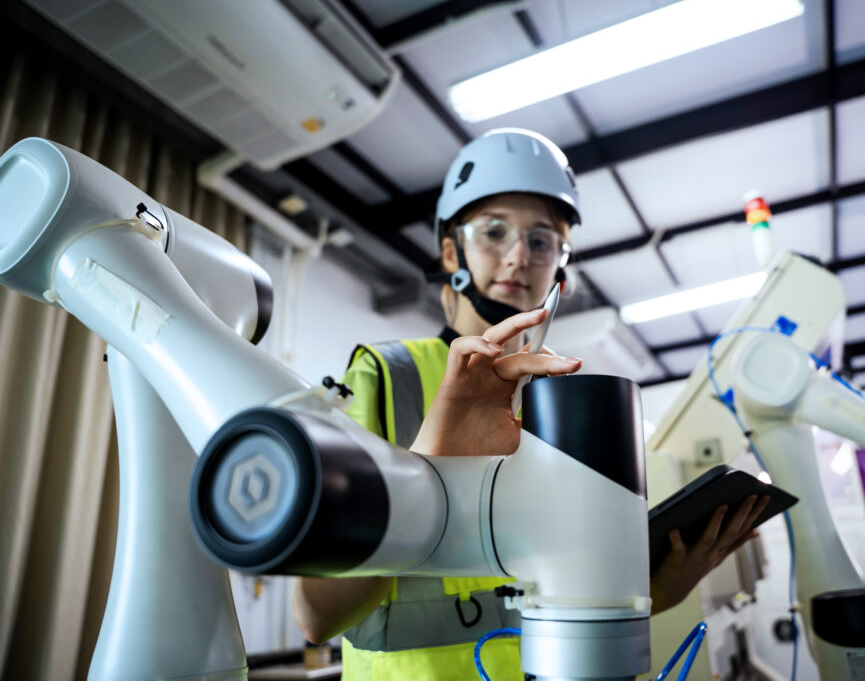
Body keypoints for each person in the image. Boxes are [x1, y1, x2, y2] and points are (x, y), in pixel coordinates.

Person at [293, 128, 769, 679]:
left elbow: (561, 594)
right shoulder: (389, 375)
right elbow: (314, 617)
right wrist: (429, 471)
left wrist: (653, 594)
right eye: (494, 232)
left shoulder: (571, 399)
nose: (519, 256)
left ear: (559, 267)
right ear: (453, 252)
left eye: (542, 240)